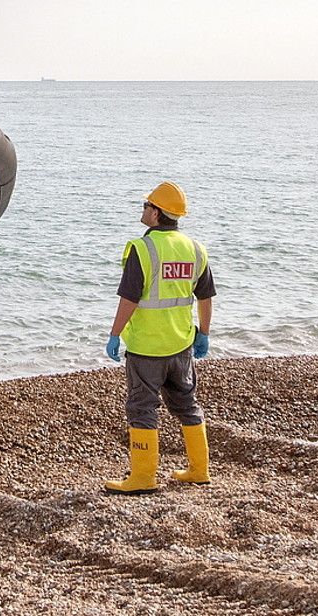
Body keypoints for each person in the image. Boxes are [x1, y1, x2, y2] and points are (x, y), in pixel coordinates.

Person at [103, 181, 217, 495]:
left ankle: (142, 477)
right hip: (182, 344)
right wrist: (203, 333)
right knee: (186, 404)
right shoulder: (195, 249)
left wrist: (114, 335)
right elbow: (206, 298)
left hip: (146, 347)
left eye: (146, 206)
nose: (143, 210)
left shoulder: (142, 249)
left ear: (156, 213)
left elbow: (129, 299)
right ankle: (199, 469)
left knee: (142, 408)